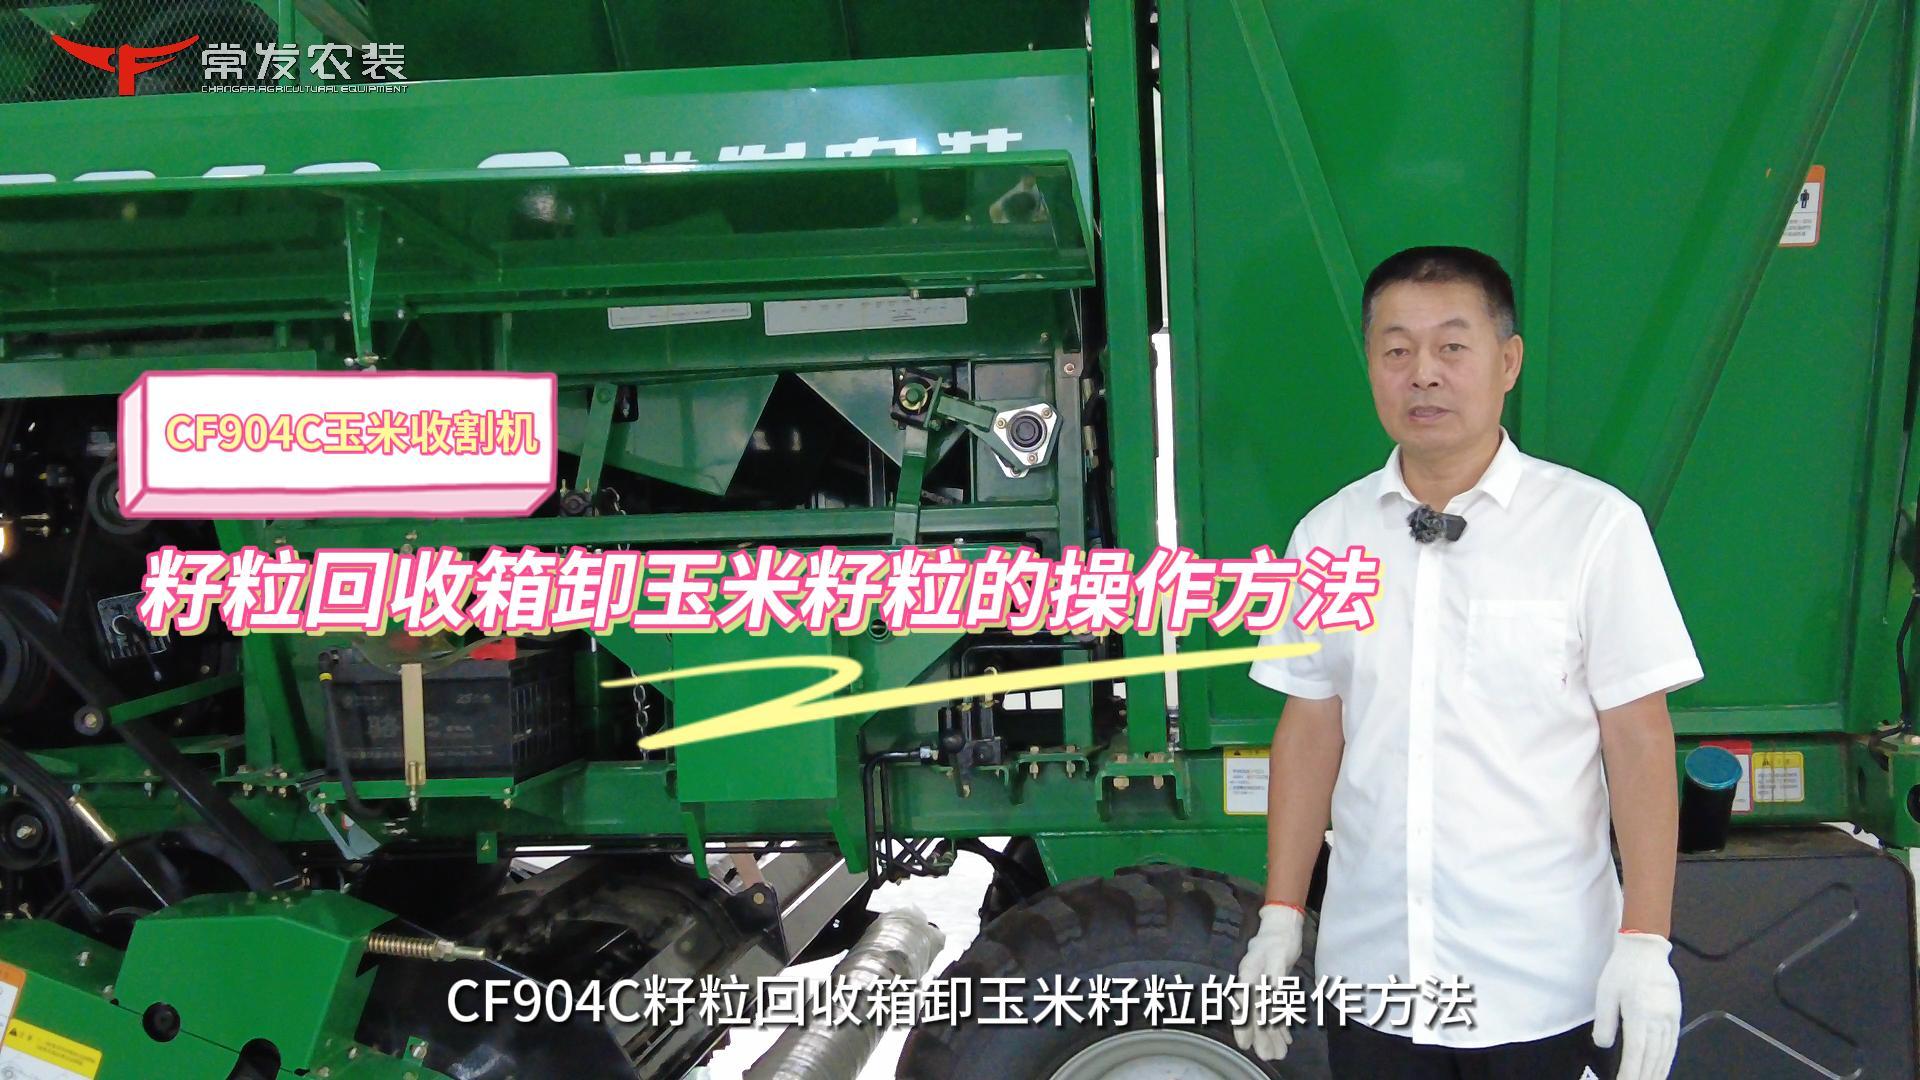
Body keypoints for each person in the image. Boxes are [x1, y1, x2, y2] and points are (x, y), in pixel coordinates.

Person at [1231, 246, 1700, 1080]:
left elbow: (1637, 738)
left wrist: (1645, 940)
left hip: (1544, 989)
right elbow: (1310, 728)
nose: (1424, 374)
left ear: (1507, 361)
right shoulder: (1329, 536)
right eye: (1396, 349)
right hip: (1375, 985)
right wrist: (1280, 916)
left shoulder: (1593, 529)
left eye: (1452, 346)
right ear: (1370, 366)